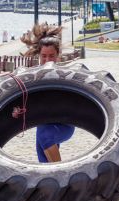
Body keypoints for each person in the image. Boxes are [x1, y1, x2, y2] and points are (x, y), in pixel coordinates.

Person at [20, 23, 75, 163]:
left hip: (64, 123)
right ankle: (51, 183)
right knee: (43, 158)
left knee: (46, 137)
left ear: (58, 55)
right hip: (43, 122)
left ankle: (61, 176)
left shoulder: (65, 76)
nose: (47, 60)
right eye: (44, 56)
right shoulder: (34, 76)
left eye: (51, 56)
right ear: (39, 55)